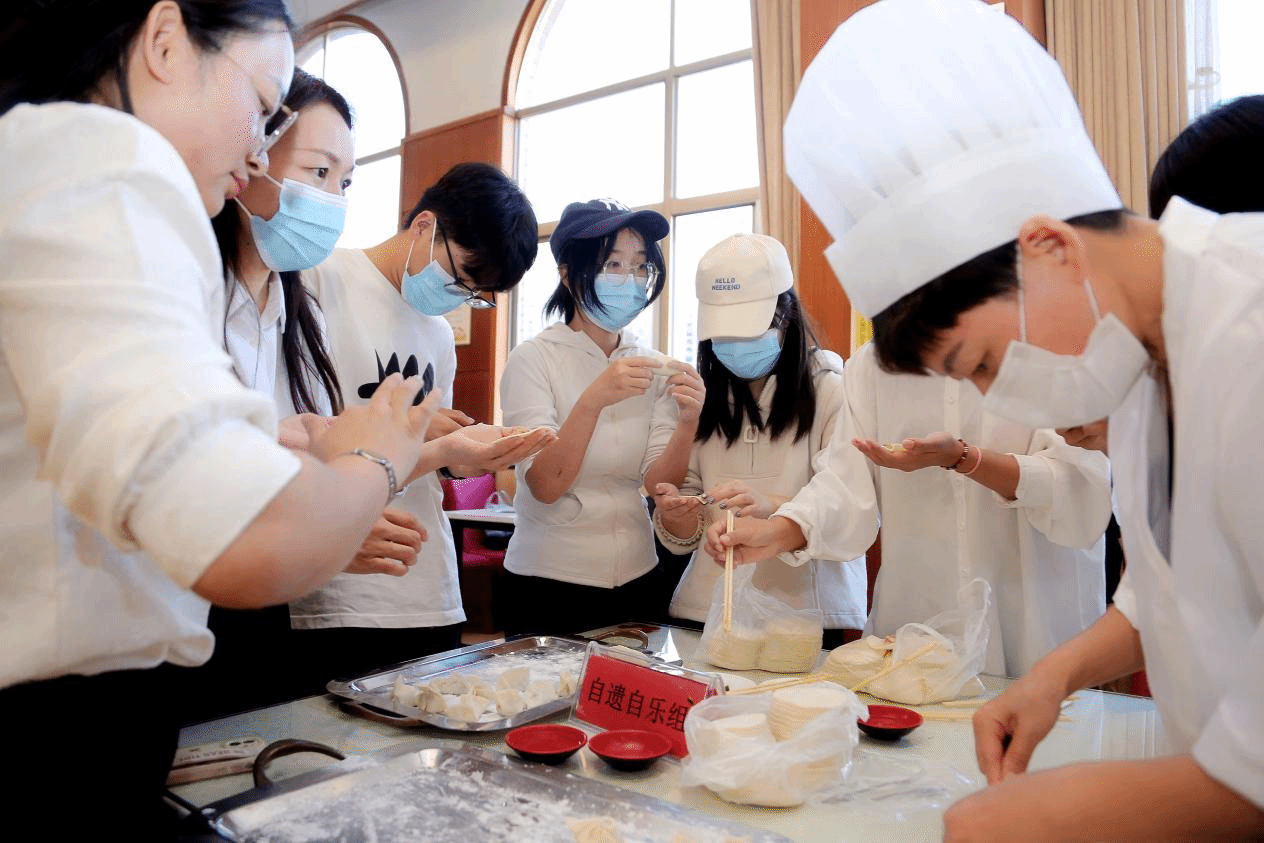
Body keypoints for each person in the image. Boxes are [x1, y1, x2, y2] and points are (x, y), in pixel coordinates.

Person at [777, 1, 1264, 840]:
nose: (998, 396)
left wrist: (1049, 814)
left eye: (981, 362)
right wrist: (1054, 675)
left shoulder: (1248, 327)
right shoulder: (1145, 358)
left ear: (1050, 247)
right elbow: (1171, 593)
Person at [0, 1, 437, 836]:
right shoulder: (102, 158)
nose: (258, 149)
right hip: (55, 730)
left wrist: (277, 442)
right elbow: (253, 538)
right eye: (263, 103)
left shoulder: (39, 160)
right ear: (166, 42)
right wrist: (374, 459)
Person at [185, 70, 426, 720]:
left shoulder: (294, 311)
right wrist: (331, 517)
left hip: (259, 602)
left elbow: (296, 451)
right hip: (174, 598)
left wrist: (336, 512)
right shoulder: (187, 290)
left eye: (344, 183)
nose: (332, 200)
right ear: (250, 156)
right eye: (318, 172)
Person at [299, 161, 550, 680]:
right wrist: (416, 435)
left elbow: (428, 460)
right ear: (424, 225)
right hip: (341, 587)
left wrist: (466, 453)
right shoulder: (320, 280)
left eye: (474, 294)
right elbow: (296, 436)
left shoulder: (437, 334)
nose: (458, 297)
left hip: (429, 587)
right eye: (460, 279)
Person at [645, 234, 867, 646]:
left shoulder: (832, 390)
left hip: (808, 619)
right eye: (723, 335)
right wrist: (677, 513)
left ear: (786, 314)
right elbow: (686, 525)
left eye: (749, 330)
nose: (735, 346)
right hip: (708, 611)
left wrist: (774, 506)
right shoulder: (700, 396)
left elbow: (850, 504)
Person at [499, 199, 698, 636]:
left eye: (640, 266)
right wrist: (592, 402)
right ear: (568, 275)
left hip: (638, 576)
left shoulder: (652, 364)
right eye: (613, 265)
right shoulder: (533, 359)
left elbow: (657, 483)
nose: (630, 279)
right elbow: (545, 485)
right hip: (548, 581)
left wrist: (687, 423)